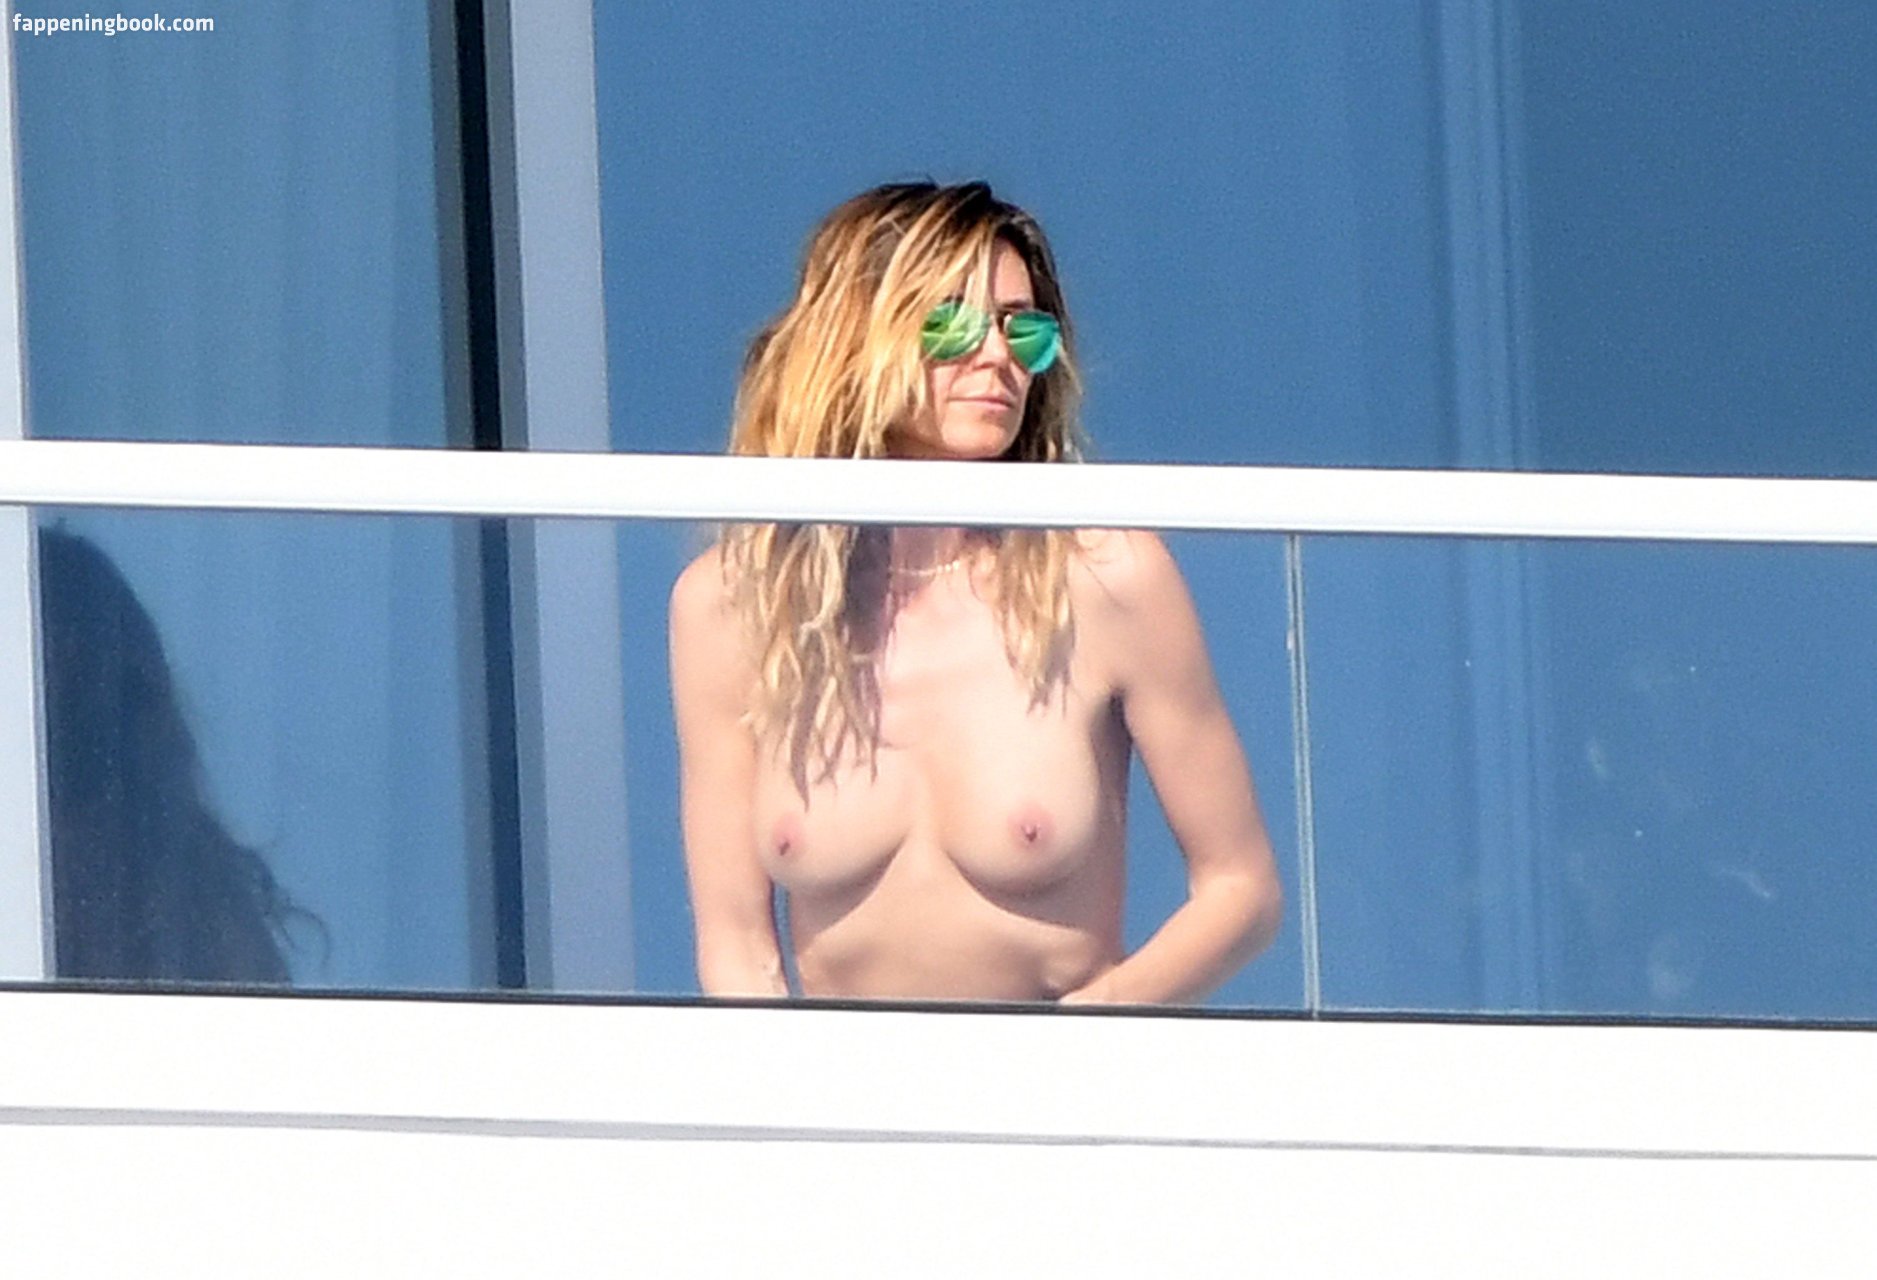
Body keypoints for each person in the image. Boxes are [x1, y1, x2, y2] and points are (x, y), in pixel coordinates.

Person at [670, 181, 1280, 1003]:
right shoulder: (737, 606)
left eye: (1023, 329)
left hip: (1062, 1071)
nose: (997, 356)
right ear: (855, 337)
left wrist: (1084, 1037)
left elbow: (1241, 890)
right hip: (839, 1076)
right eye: (952, 323)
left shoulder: (1102, 578)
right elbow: (738, 949)